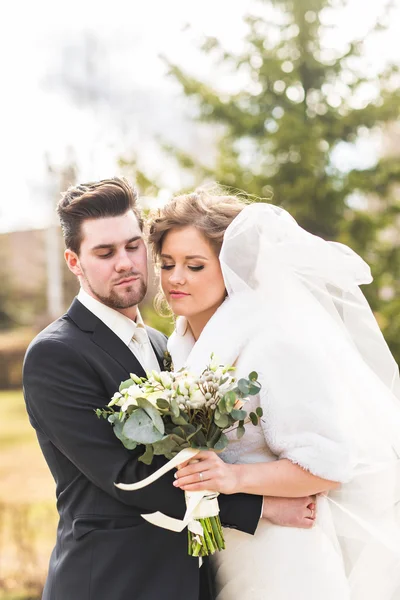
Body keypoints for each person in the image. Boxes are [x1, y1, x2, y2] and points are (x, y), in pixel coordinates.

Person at [23, 178, 315, 600]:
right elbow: (129, 480)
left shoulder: (165, 344)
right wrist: (262, 507)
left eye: (132, 246)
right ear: (74, 261)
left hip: (186, 579)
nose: (124, 262)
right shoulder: (56, 355)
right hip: (110, 581)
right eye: (104, 253)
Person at [148, 188, 400, 600]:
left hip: (283, 559)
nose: (176, 278)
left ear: (233, 268)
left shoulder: (275, 343)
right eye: (168, 264)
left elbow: (328, 464)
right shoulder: (176, 348)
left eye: (195, 265)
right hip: (217, 555)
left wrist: (234, 477)